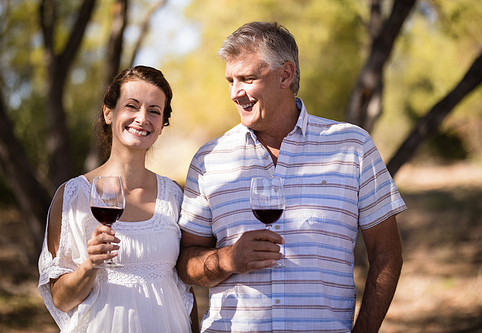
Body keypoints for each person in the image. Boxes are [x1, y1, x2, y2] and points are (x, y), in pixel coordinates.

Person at [177, 21, 406, 333]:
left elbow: (387, 253)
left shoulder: (353, 146)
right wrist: (226, 259)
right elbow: (186, 263)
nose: (234, 93)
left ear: (285, 75)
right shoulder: (209, 159)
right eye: (230, 81)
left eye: (247, 79)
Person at [38, 66, 196, 332]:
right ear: (108, 112)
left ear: (161, 126)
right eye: (131, 106)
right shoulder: (72, 196)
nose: (142, 118)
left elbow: (185, 292)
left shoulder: (175, 196)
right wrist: (89, 265)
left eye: (154, 111)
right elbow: (61, 300)